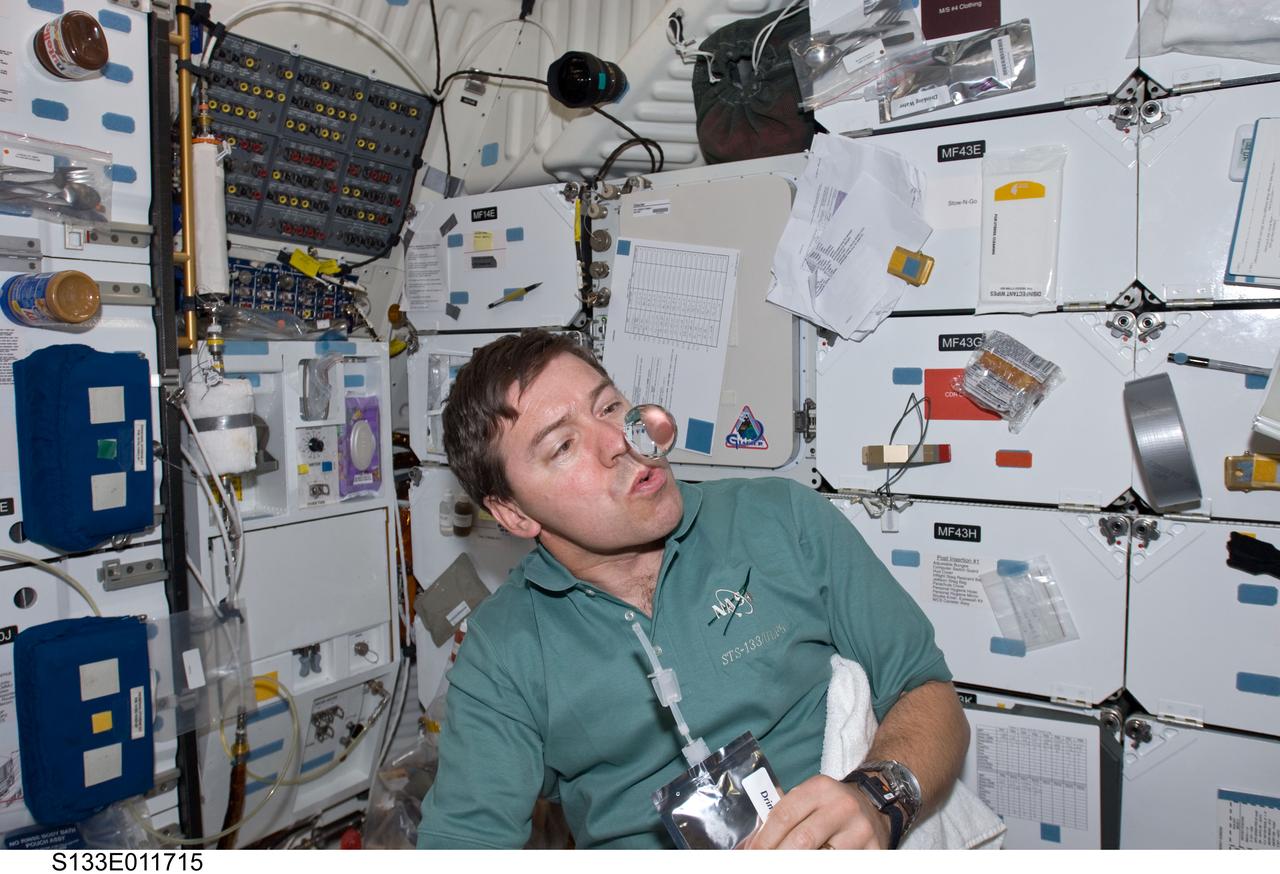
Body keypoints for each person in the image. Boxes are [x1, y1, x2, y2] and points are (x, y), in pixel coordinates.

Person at [418, 330, 969, 850]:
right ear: (513, 514)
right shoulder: (503, 650)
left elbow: (926, 689)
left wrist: (877, 799)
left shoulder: (781, 518)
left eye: (610, 407)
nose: (620, 441)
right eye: (563, 445)